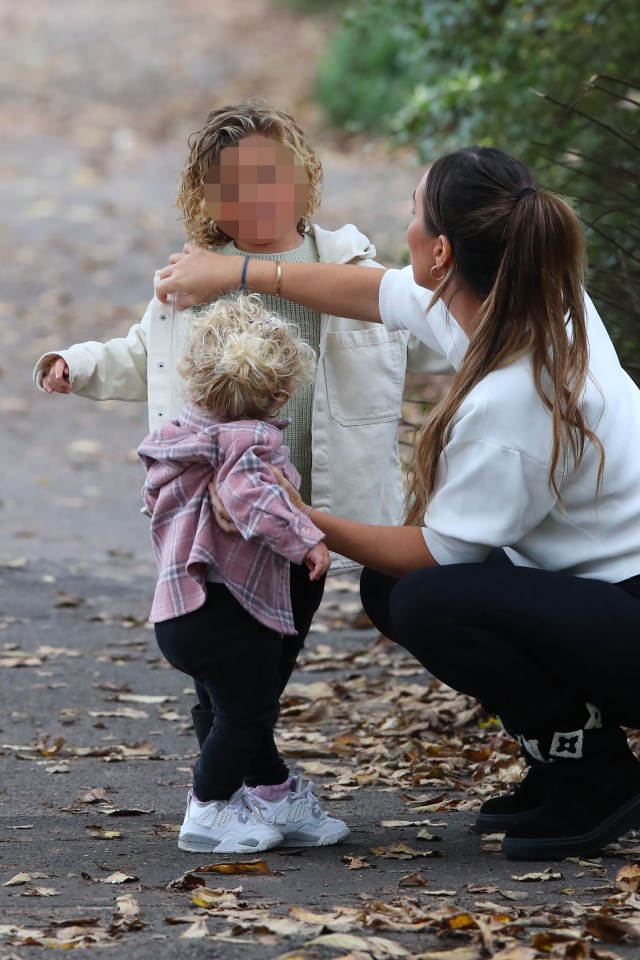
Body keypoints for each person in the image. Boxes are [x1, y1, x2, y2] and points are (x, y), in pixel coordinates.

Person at [156, 145, 640, 862]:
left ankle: (594, 773)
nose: (402, 221)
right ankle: (564, 756)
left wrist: (289, 512)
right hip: (602, 598)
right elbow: (375, 292)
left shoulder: (517, 395)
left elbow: (439, 554)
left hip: (627, 617)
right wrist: (238, 270)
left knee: (422, 597)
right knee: (403, 585)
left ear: (441, 251)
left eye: (413, 210)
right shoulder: (528, 300)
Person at [33, 96, 448, 763]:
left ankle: (241, 787)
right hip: (214, 511)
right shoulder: (196, 279)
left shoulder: (347, 268)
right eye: (235, 185)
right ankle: (232, 791)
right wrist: (75, 365)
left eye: (271, 176)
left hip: (309, 510)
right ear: (209, 198)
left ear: (302, 179)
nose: (257, 195)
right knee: (231, 663)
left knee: (271, 657)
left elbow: (429, 334)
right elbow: (148, 354)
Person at [138, 292, 350, 854]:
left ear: (195, 379)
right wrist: (306, 539)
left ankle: (270, 793)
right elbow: (247, 501)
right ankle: (208, 808)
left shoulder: (179, 440)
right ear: (282, 391)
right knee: (247, 712)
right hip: (230, 610)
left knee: (224, 707)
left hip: (181, 609)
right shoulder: (250, 444)